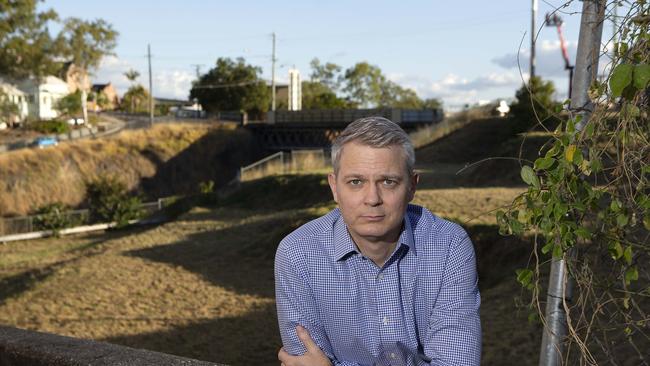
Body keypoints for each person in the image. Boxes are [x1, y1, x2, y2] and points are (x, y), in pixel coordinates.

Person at [275, 116, 481, 366]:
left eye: (388, 181)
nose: (372, 198)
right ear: (334, 188)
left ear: (412, 187)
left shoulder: (449, 246)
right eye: (356, 182)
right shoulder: (298, 254)